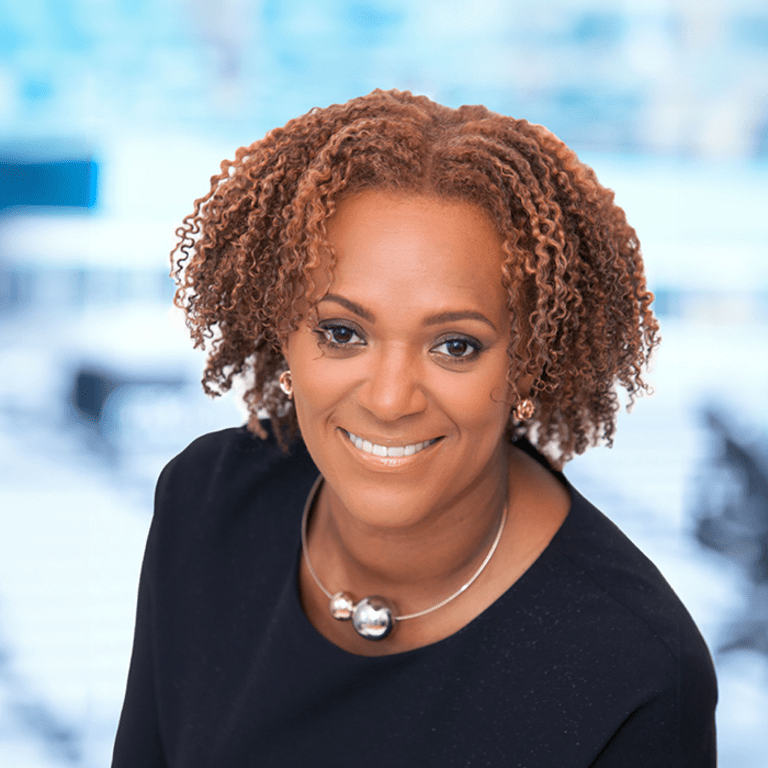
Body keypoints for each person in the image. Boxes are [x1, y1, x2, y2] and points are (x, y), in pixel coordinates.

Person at [112, 89, 717, 767]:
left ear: (530, 363)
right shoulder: (206, 504)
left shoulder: (635, 675)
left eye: (455, 345)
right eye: (342, 333)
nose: (392, 398)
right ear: (283, 333)